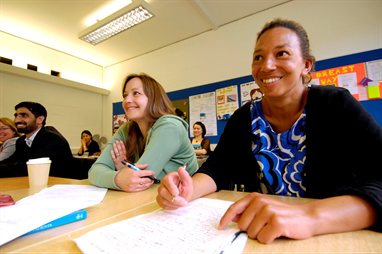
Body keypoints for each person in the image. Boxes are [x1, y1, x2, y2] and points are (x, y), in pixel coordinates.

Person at [156, 19, 382, 244]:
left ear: (306, 65)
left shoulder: (335, 105)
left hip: (331, 238)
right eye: (258, 57)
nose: (266, 66)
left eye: (281, 53)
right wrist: (186, 190)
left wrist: (310, 216)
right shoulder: (244, 117)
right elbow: (217, 170)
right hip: (261, 238)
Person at [88, 73, 198, 192]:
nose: (127, 100)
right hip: (150, 198)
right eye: (125, 95)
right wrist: (119, 177)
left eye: (136, 93)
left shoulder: (170, 126)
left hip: (184, 201)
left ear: (153, 98)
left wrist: (121, 171)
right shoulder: (126, 129)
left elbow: (141, 178)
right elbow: (94, 171)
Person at [0, 101, 74, 178]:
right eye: (16, 116)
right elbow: (12, 160)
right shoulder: (21, 141)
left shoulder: (51, 138)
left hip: (58, 185)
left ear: (40, 119)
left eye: (24, 115)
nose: (17, 120)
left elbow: (30, 167)